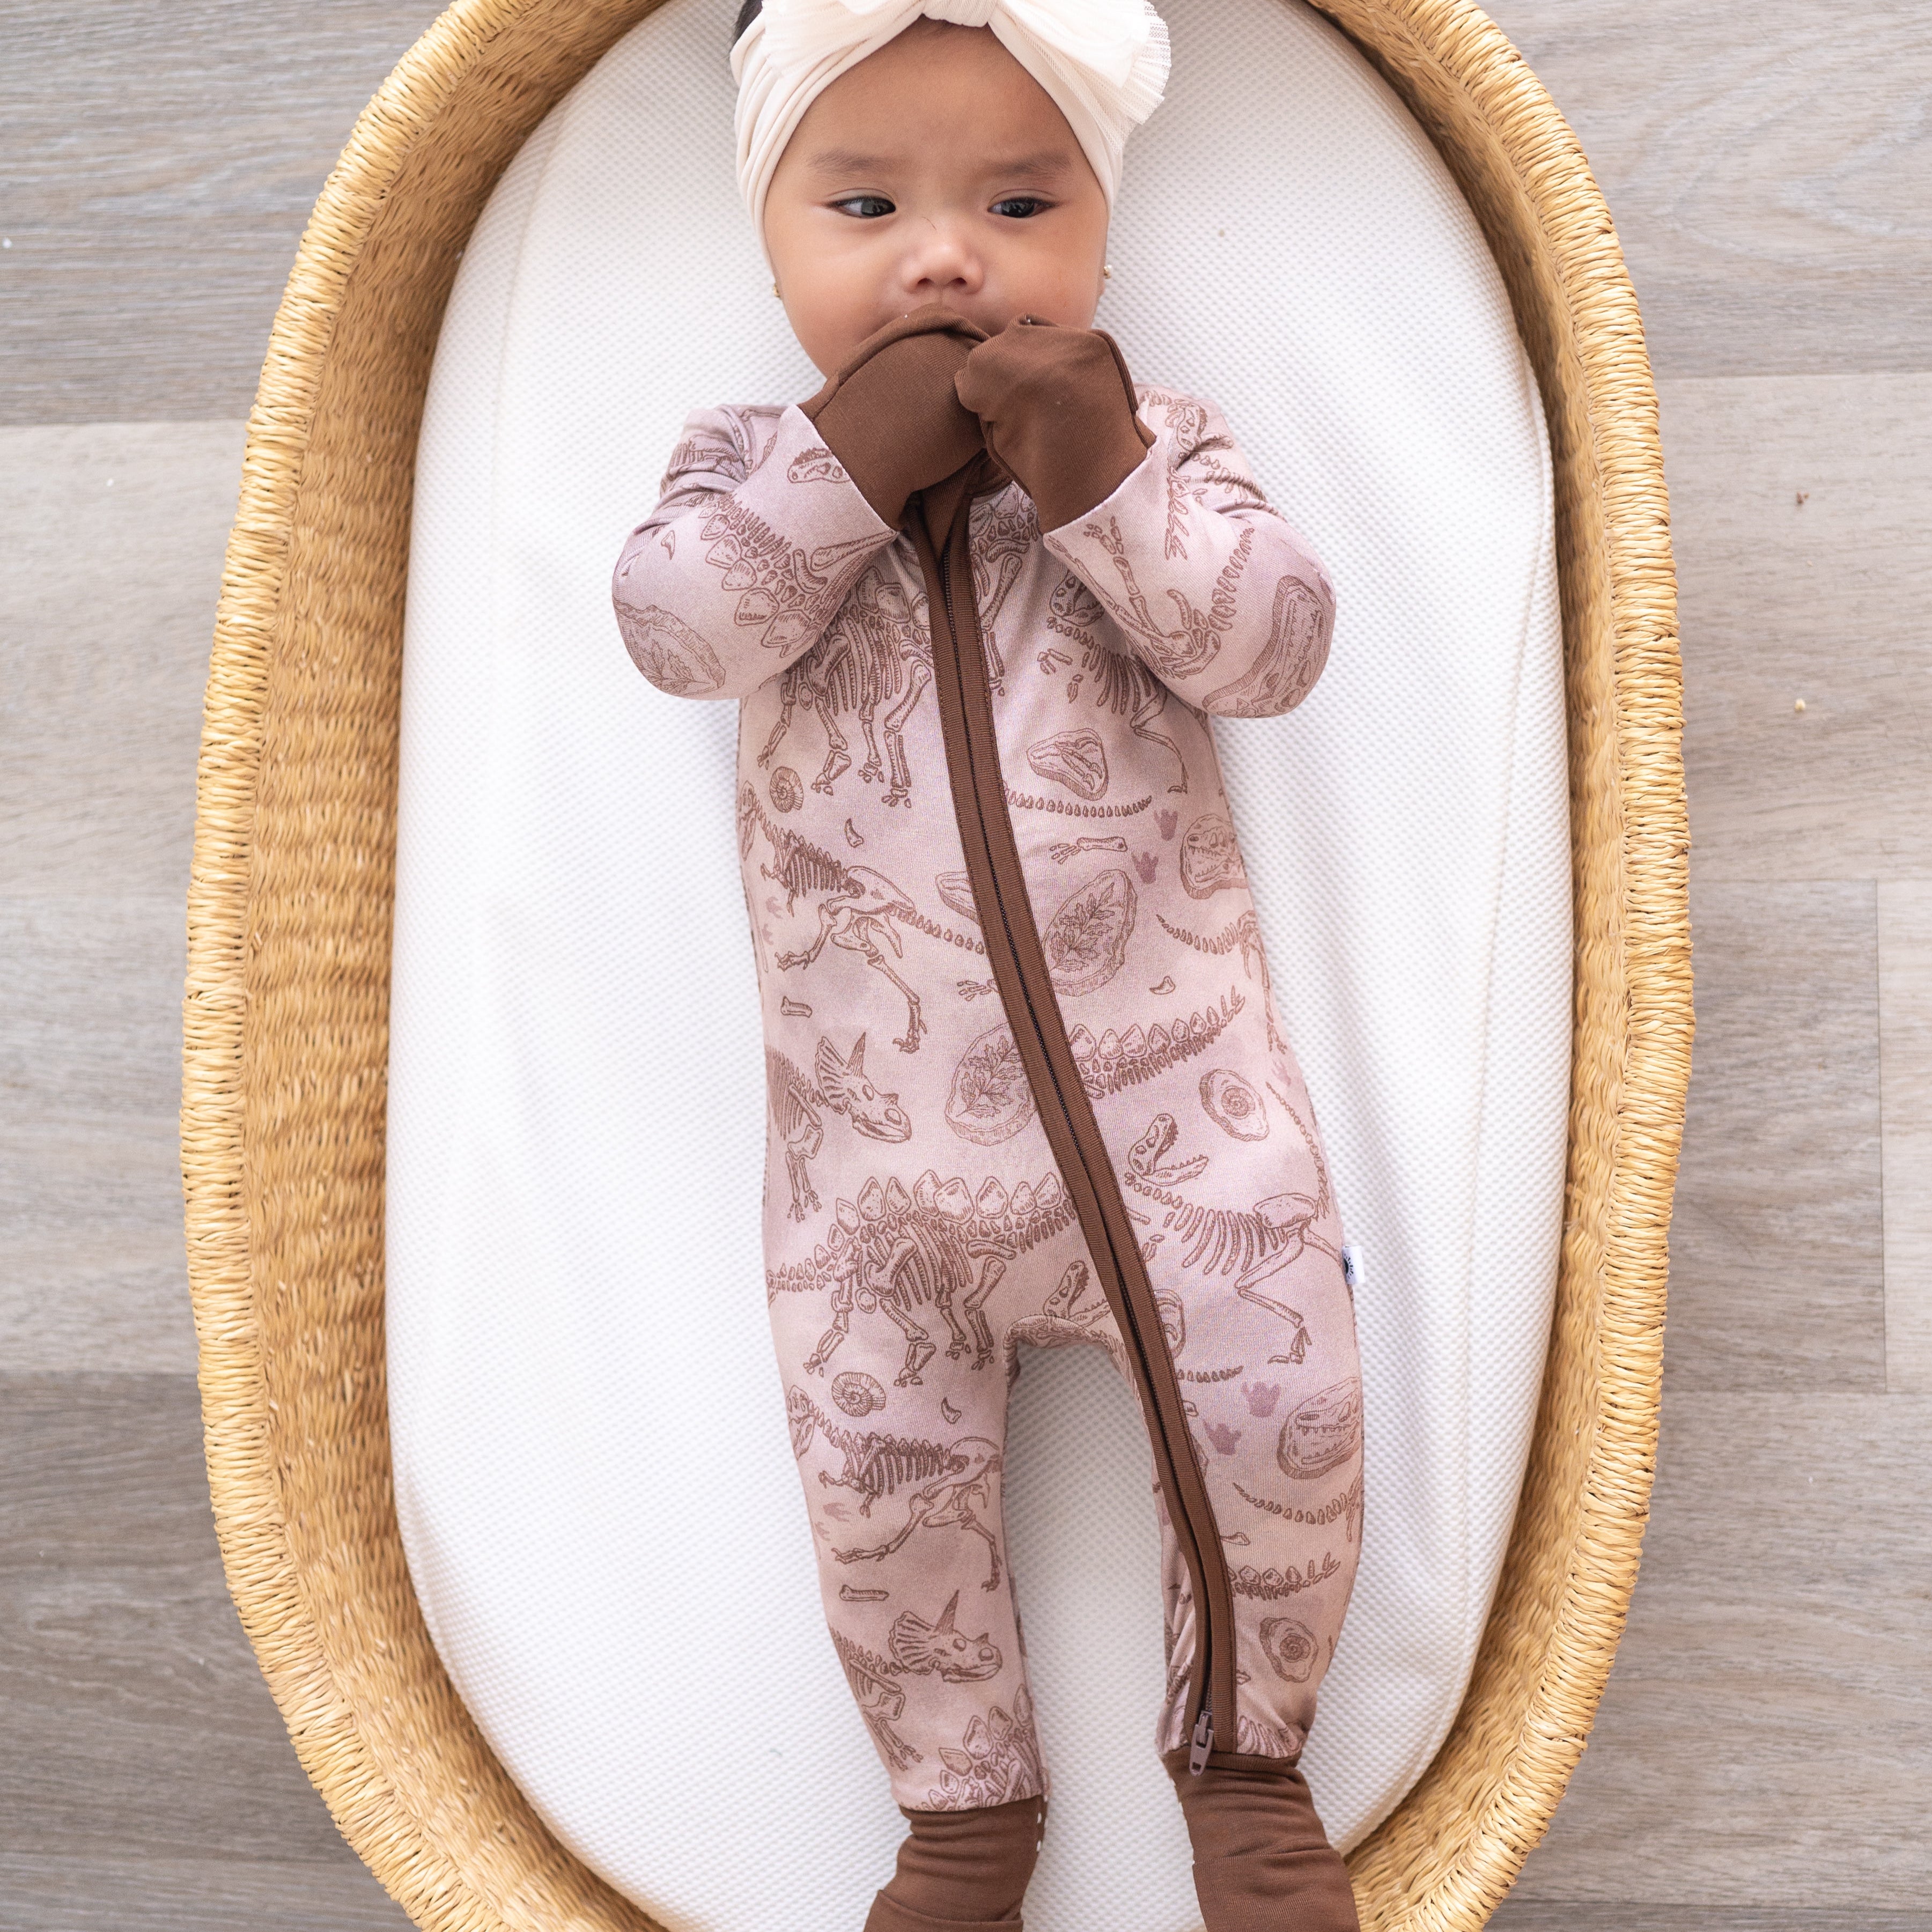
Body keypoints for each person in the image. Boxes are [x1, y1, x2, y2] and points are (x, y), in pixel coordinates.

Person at [611, 3, 1362, 1924]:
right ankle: (961, 1820)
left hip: (1180, 1134)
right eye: (864, 203)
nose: (945, 256)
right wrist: (843, 463)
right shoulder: (743, 468)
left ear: (1099, 243)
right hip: (875, 1196)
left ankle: (1247, 1778)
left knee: (1273, 1419)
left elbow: (1269, 648)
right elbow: (678, 628)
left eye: (1019, 203)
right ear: (770, 241)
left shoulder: (1155, 456)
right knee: (878, 1488)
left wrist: (1103, 470)